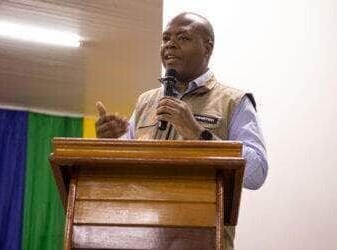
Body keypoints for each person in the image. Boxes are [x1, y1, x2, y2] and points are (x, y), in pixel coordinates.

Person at [95, 12, 268, 250]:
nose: (170, 45)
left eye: (183, 38)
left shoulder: (234, 101)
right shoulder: (145, 102)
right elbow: (122, 172)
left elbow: (256, 173)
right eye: (166, 38)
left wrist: (198, 134)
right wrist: (111, 144)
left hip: (204, 240)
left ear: (208, 47)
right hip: (142, 238)